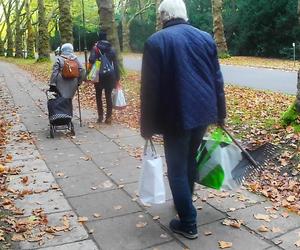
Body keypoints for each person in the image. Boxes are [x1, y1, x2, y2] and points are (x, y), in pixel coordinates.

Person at [140, 0, 226, 240]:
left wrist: (146, 126)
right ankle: (184, 202)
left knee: (176, 169)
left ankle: (188, 221)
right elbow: (217, 79)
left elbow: (149, 90)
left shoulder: (156, 42)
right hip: (203, 113)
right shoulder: (205, 38)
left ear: (163, 16)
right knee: (189, 161)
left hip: (175, 116)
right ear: (184, 14)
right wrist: (221, 114)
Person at [88, 31, 120, 124]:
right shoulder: (112, 48)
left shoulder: (95, 48)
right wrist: (117, 78)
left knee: (98, 95)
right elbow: (116, 65)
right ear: (106, 38)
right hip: (110, 75)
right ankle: (109, 117)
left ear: (99, 37)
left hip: (98, 74)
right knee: (108, 96)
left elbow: (91, 60)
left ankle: (100, 117)